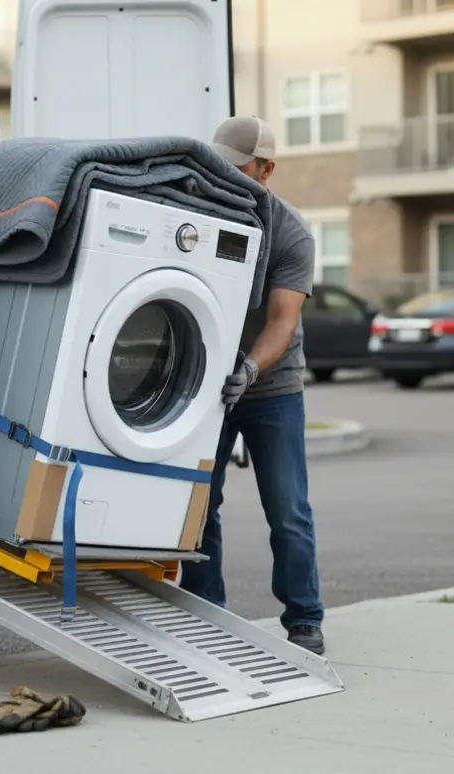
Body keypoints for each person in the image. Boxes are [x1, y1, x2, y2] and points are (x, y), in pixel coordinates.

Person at [180, 115, 325, 655]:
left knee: (287, 509)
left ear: (266, 169)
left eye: (238, 169)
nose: (227, 177)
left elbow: (282, 323)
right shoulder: (198, 211)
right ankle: (204, 614)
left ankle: (304, 619)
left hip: (270, 388)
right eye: (220, 167)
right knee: (198, 507)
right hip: (201, 386)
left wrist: (247, 370)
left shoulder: (290, 232)